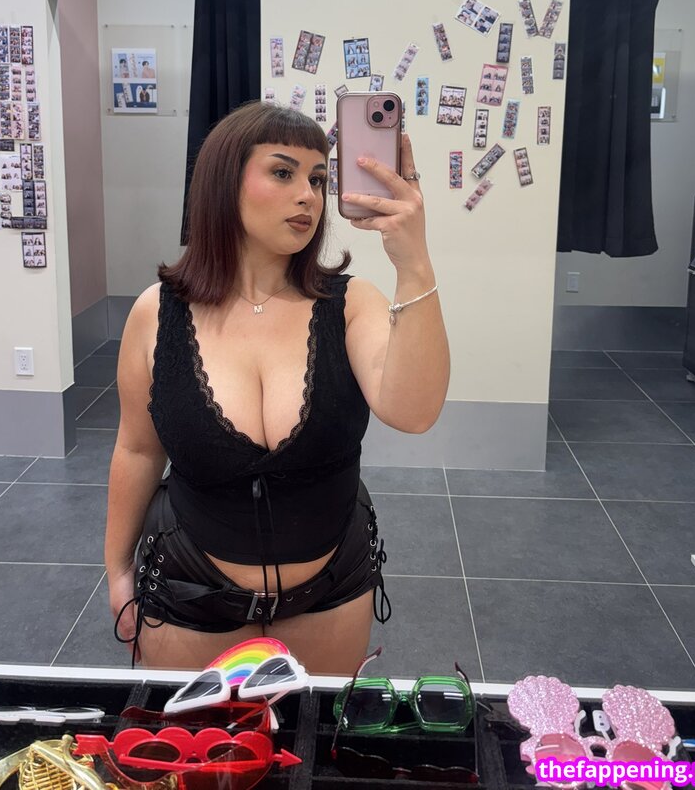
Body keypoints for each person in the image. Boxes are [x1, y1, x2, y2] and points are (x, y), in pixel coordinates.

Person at [105, 100, 448, 674]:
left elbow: (413, 412)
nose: (308, 195)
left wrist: (413, 262)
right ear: (224, 182)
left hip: (331, 591)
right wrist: (117, 570)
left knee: (315, 732)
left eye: (318, 179)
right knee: (193, 732)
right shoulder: (156, 314)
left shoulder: (350, 304)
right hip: (189, 591)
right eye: (283, 172)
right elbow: (137, 448)